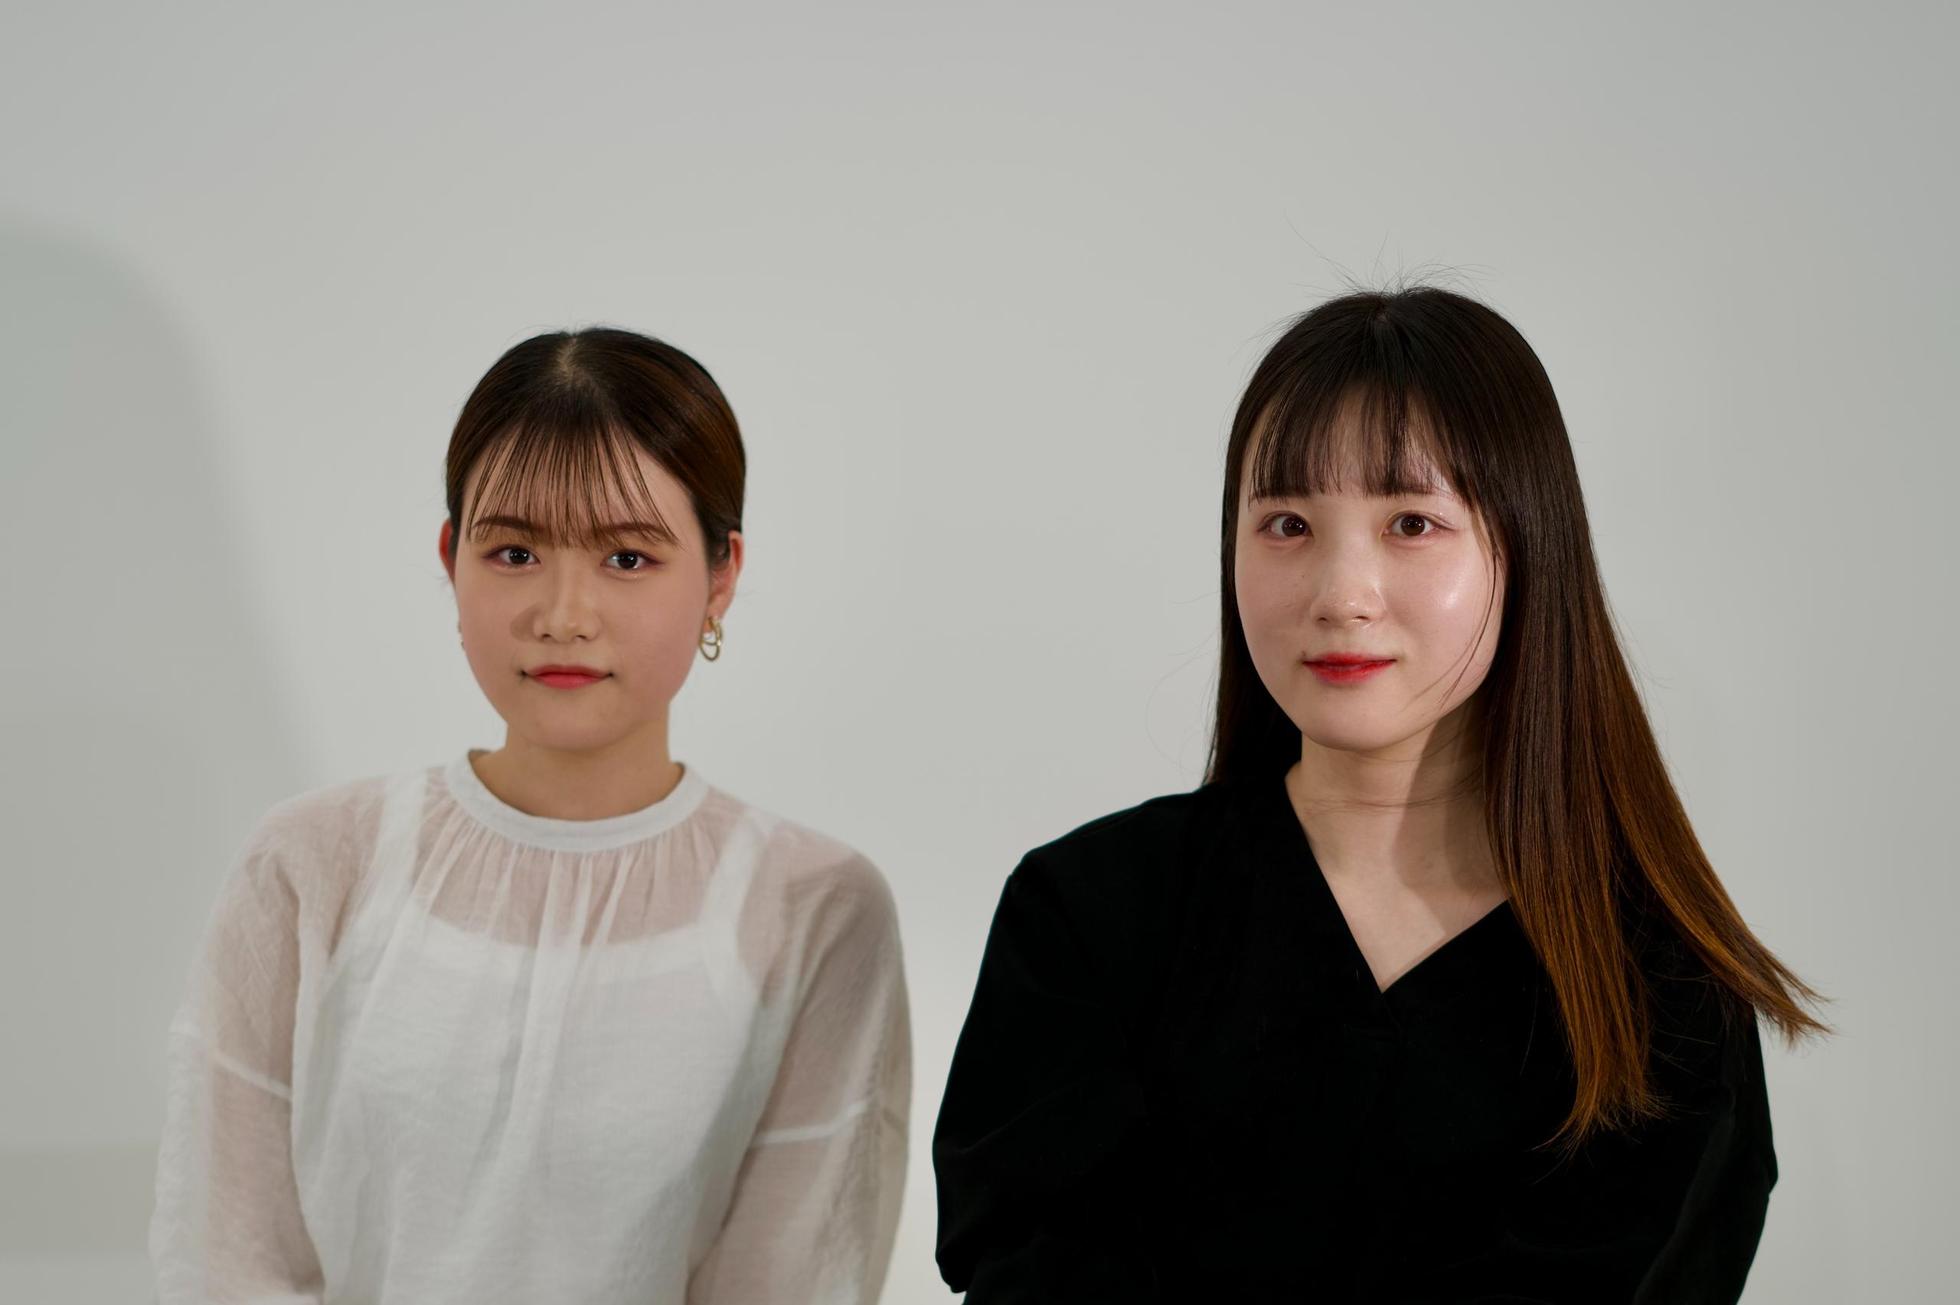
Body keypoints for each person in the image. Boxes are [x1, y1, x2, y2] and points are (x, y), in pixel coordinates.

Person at [932, 287, 1826, 1303]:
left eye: (1411, 523)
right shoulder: (1089, 914)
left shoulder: (1657, 982)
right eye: (1286, 524)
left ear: (1526, 548)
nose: (1339, 594)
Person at [150, 328, 910, 1304]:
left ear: (720, 576)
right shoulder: (316, 862)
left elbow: (799, 1277)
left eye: (627, 557)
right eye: (514, 551)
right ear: (450, 557)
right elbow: (220, 1253)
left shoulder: (812, 907)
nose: (563, 613)